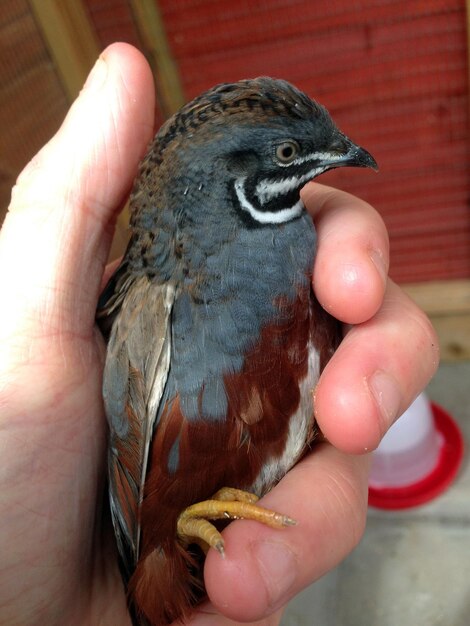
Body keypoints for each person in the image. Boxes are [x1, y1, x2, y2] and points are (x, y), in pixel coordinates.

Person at [0, 43, 438, 626]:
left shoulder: (307, 247)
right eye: (288, 154)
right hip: (156, 578)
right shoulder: (150, 308)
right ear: (229, 180)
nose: (340, 157)